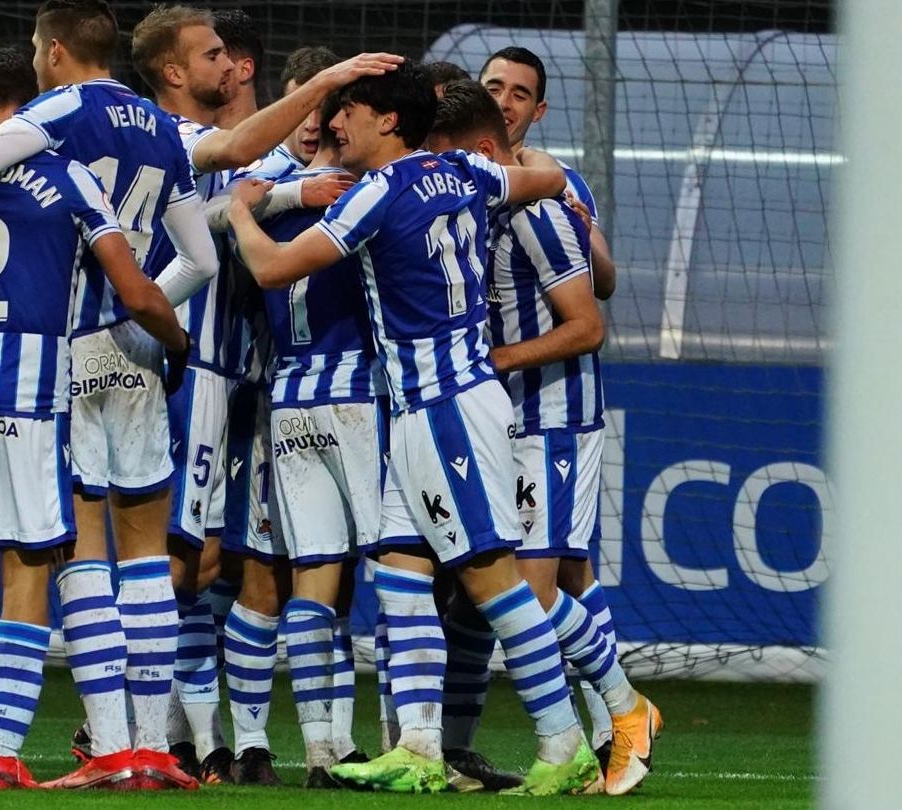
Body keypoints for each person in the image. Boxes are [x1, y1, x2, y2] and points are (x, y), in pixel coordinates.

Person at [227, 61, 601, 796]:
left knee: (493, 580)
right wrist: (570, 201)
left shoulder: (377, 195)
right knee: (399, 567)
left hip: (445, 407)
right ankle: (421, 747)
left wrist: (243, 210)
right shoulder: (465, 172)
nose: (336, 125)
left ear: (387, 121)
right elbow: (542, 180)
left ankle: (566, 746)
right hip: (430, 408)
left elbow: (272, 269)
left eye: (350, 113)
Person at [0, 0, 218, 790]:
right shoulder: (159, 127)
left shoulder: (54, 116)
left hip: (53, 360)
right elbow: (201, 262)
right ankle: (154, 748)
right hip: (137, 349)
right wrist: (159, 326)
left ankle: (109, 748)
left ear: (51, 52)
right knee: (147, 555)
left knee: (65, 554)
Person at [130, 3, 401, 782]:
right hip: (196, 372)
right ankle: (133, 726)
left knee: (223, 567)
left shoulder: (255, 168)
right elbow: (242, 191)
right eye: (213, 55)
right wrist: (327, 97)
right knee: (188, 562)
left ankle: (207, 739)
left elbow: (238, 201)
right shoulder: (190, 142)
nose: (225, 65)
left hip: (250, 388)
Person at [427, 79, 662, 797]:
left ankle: (628, 711)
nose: (441, 176)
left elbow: (588, 325)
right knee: (485, 588)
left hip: (553, 422)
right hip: (501, 421)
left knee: (530, 590)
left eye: (449, 160)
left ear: (486, 151)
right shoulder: (477, 215)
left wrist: (493, 362)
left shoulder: (539, 213)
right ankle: (467, 747)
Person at [479, 46, 616, 300]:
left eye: (519, 96)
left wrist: (582, 238)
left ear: (538, 111)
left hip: (521, 340)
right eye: (493, 90)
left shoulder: (565, 184)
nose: (502, 103)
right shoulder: (446, 169)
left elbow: (606, 284)